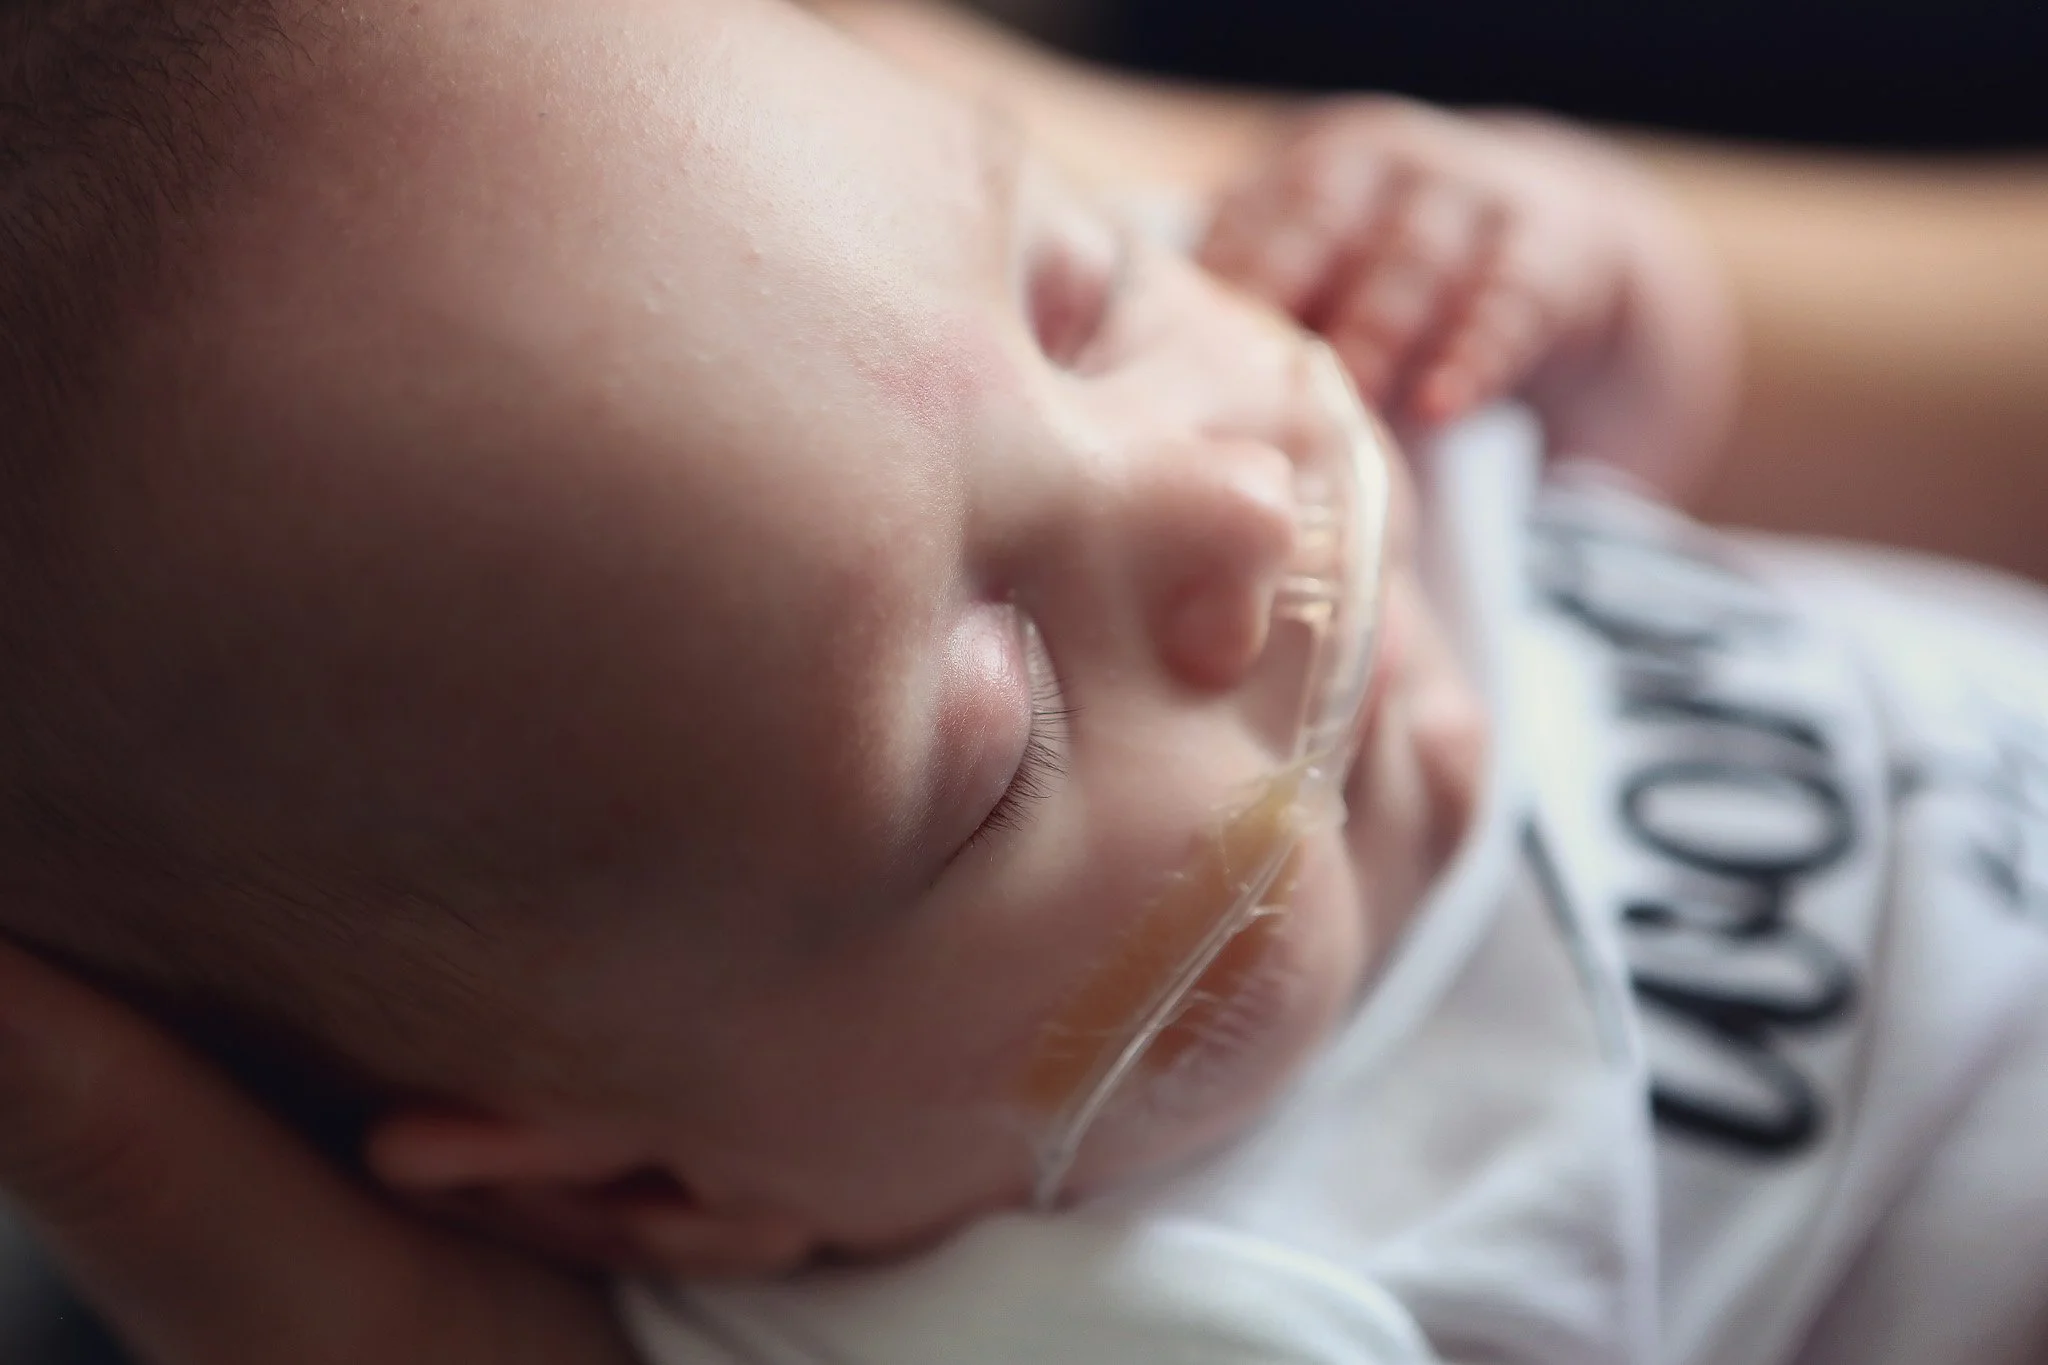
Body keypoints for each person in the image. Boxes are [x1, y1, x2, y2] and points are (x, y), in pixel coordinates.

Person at [1, 2, 2046, 1364]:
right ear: (655, 1183)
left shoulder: (1181, 373)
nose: (1226, 506)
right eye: (993, 728)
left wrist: (1574, 262)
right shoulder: (1173, 1305)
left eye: (1079, 293)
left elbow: (1609, 447)